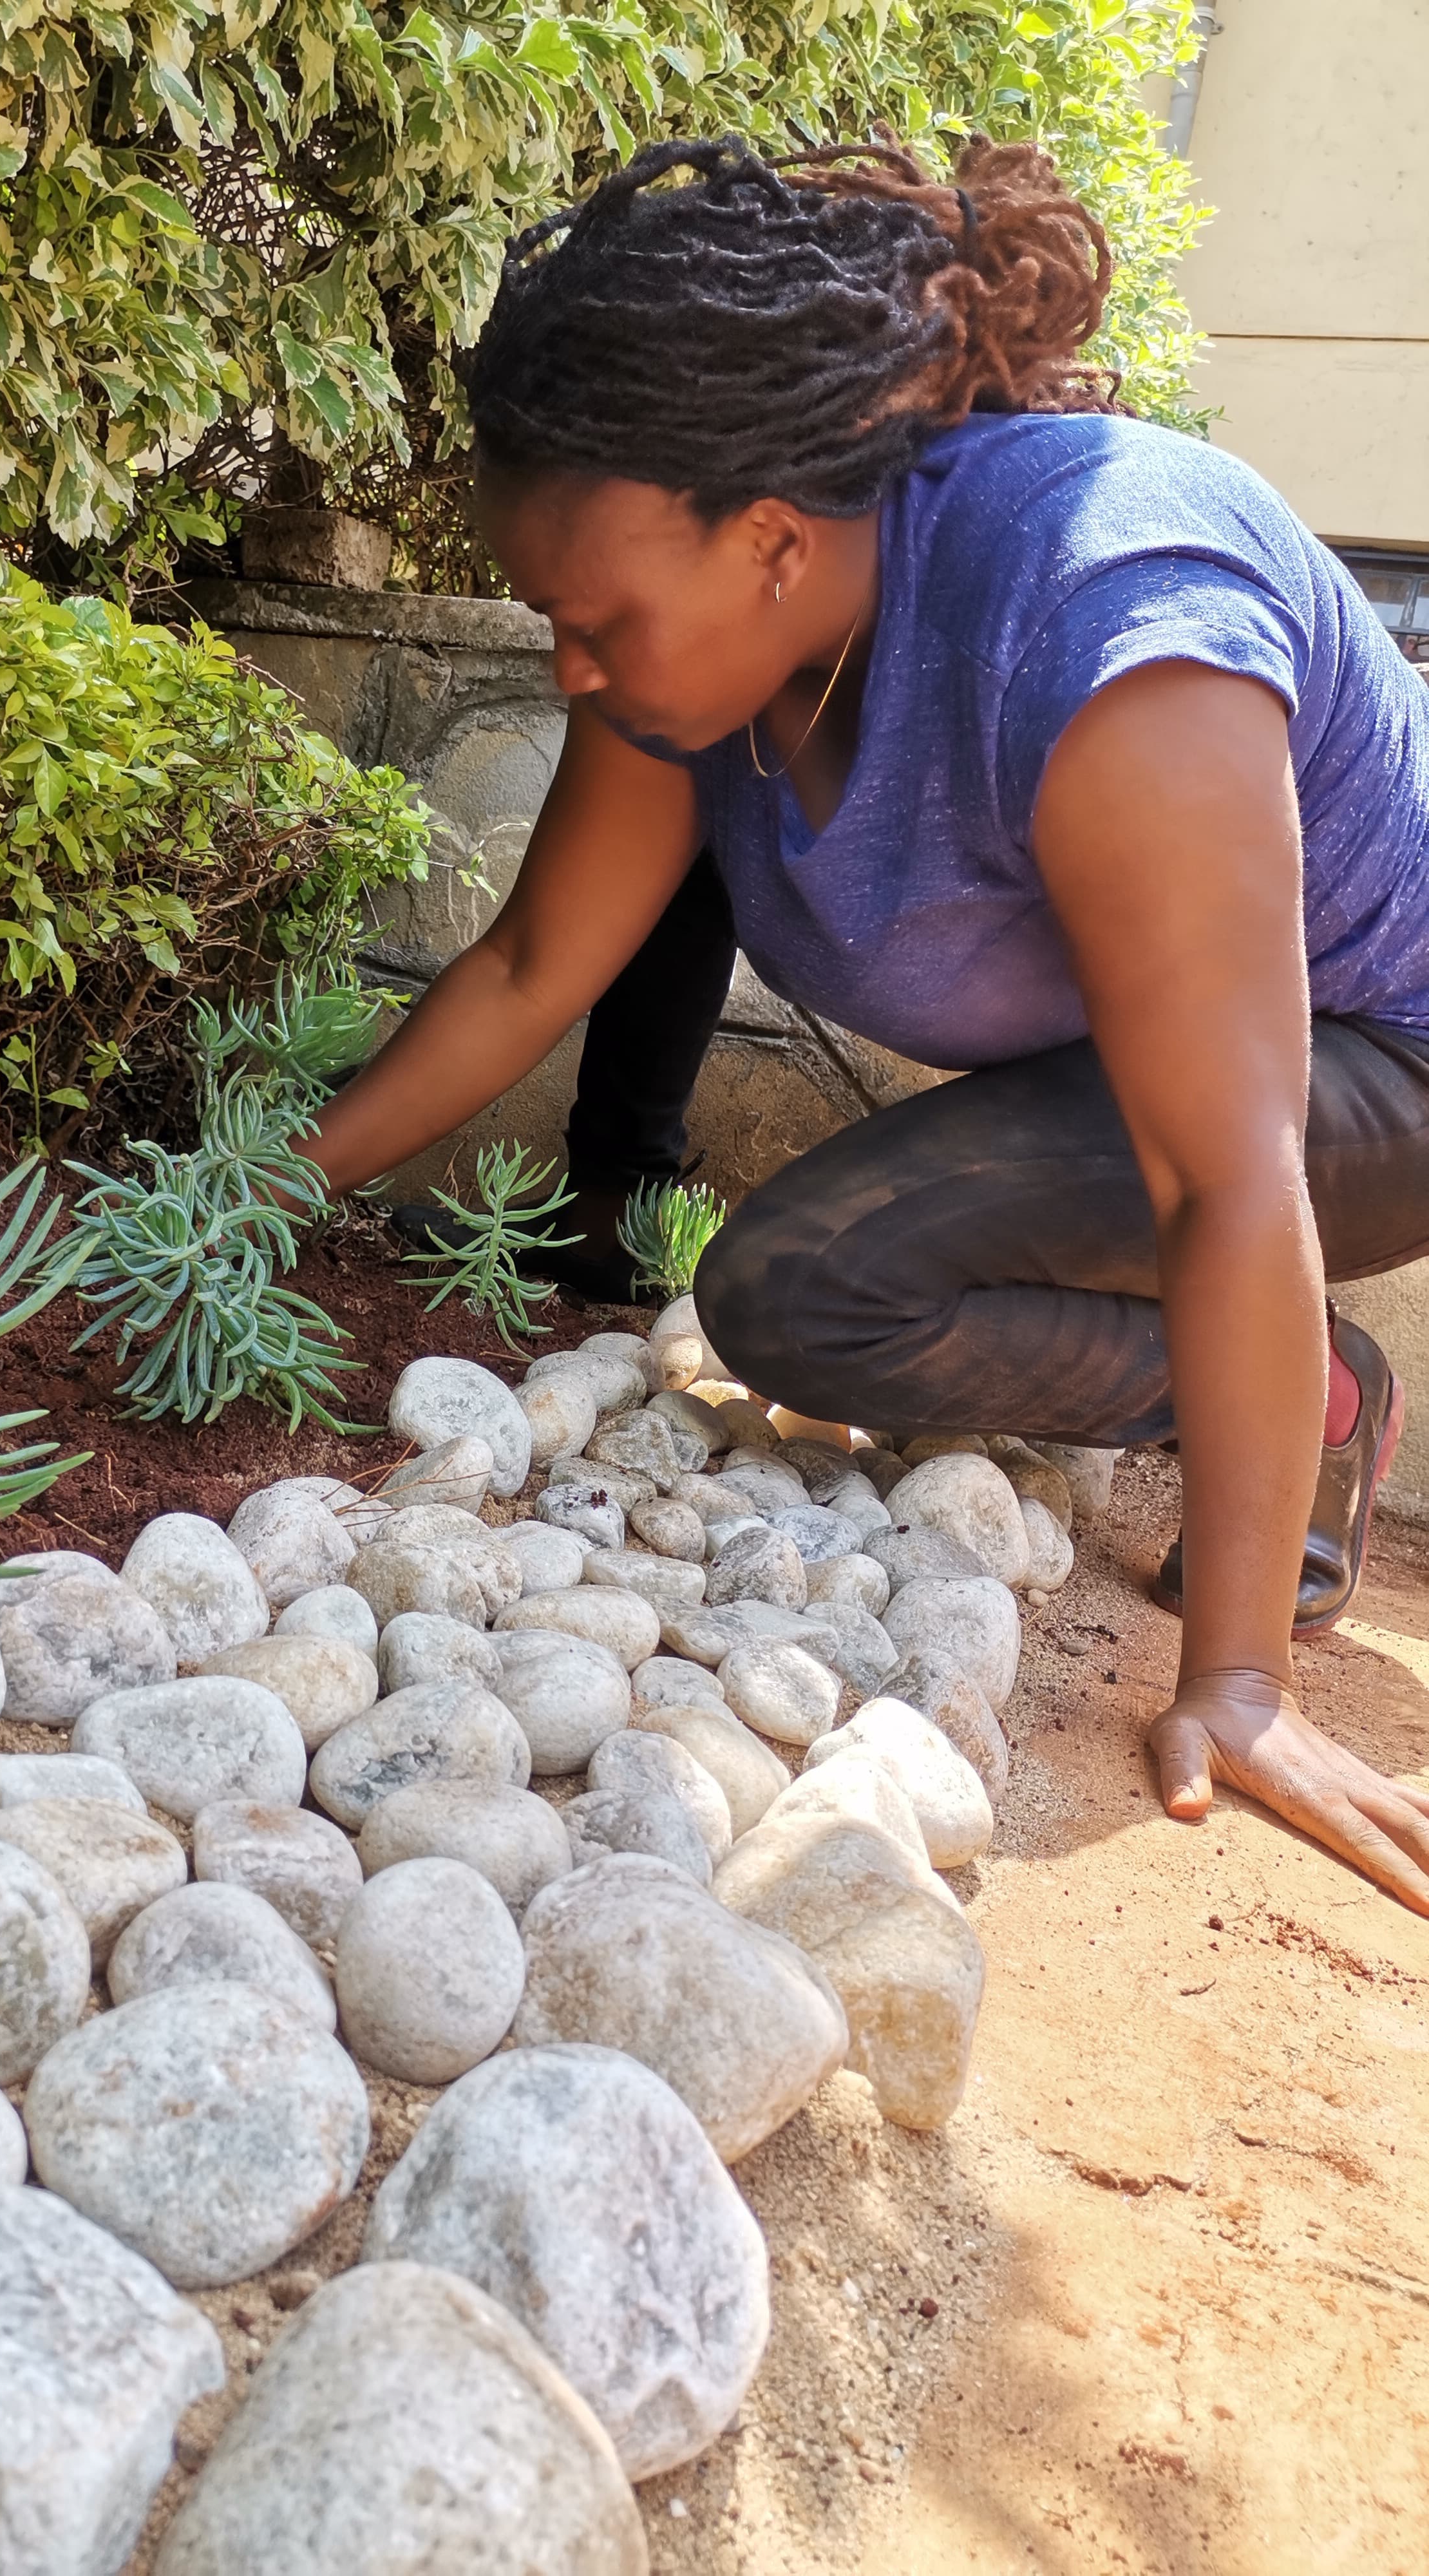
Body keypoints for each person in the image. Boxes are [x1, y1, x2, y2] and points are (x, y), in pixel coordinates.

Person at [304, 136, 1429, 1915]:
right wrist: (255, 1194)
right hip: (1205, 1091)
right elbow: (533, 968)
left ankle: (1291, 1415)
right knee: (807, 1298)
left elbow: (1227, 1174)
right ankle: (1299, 1387)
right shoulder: (704, 663)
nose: (571, 668)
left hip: (1388, 1061)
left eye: (595, 620)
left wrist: (1237, 1685)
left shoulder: (1108, 614)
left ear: (766, 539)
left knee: (800, 1287)